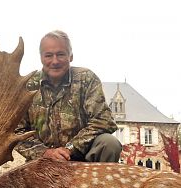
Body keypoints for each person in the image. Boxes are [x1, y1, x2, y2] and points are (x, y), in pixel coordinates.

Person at [16, 30, 122, 162]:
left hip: (83, 157)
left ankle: (100, 182)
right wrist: (45, 152)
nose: (55, 61)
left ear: (70, 56)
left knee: (109, 143)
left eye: (60, 54)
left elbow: (103, 121)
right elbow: (17, 132)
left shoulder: (87, 79)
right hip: (42, 160)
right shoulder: (28, 86)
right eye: (48, 55)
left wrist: (70, 148)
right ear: (41, 57)